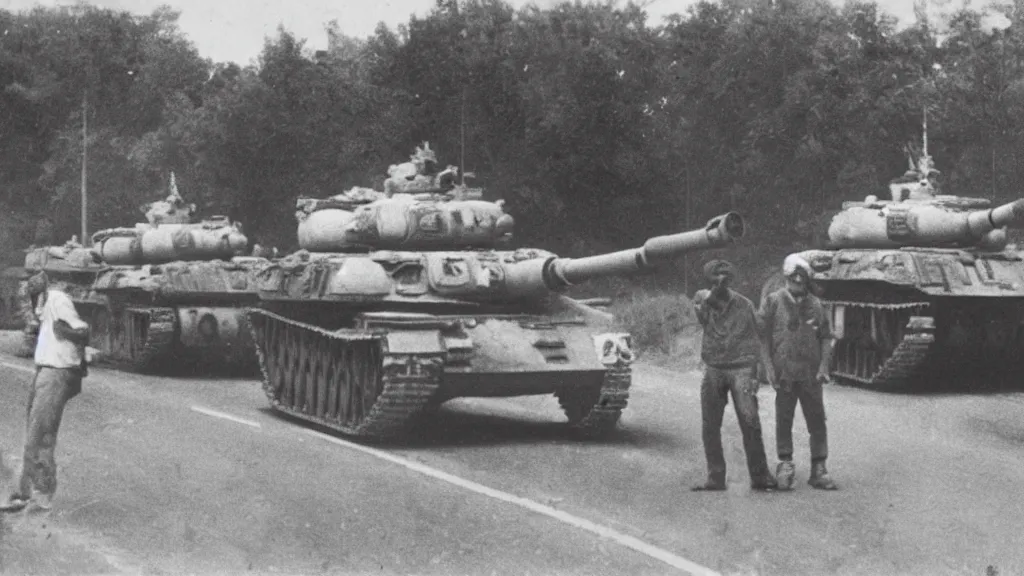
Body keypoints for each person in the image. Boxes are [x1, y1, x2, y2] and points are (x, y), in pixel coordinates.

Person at [0, 271, 90, 513]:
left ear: (38, 294)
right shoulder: (45, 304)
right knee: (38, 433)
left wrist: (66, 332)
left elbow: (83, 332)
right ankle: (35, 495)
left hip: (57, 373)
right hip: (47, 371)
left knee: (38, 435)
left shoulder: (57, 300)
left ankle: (31, 496)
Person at [691, 260, 777, 492]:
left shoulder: (744, 304)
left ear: (730, 280)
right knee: (710, 425)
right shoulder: (702, 299)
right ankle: (715, 477)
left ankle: (760, 476)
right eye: (715, 276)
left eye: (724, 277)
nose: (720, 280)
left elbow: (755, 337)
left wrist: (754, 372)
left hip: (741, 368)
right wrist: (710, 296)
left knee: (750, 422)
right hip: (714, 368)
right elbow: (703, 311)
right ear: (709, 280)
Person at [759, 254, 838, 491]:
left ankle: (819, 468)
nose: (796, 284)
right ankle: (785, 463)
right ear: (786, 278)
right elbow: (762, 336)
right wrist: (768, 368)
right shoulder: (773, 302)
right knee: (784, 418)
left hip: (810, 374)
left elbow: (825, 337)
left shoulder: (816, 304)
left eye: (801, 280)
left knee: (816, 420)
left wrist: (824, 367)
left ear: (806, 281)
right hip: (784, 373)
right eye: (793, 279)